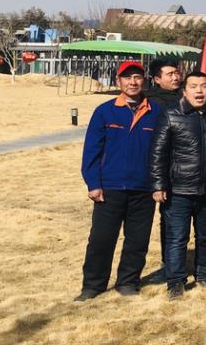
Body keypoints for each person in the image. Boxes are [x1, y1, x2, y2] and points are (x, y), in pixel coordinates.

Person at [75, 61, 162, 301]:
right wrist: (93, 183)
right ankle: (92, 286)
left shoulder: (156, 112)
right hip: (110, 187)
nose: (132, 82)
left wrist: (158, 184)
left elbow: (163, 151)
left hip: (144, 188)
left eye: (137, 77)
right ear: (118, 81)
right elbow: (92, 150)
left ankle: (128, 282)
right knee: (101, 240)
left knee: (137, 240)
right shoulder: (105, 111)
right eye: (127, 77)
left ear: (144, 81)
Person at [150, 71, 206, 299]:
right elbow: (158, 152)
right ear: (184, 91)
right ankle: (175, 280)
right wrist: (158, 185)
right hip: (178, 190)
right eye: (193, 86)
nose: (199, 91)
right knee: (176, 238)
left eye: (204, 86)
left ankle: (205, 274)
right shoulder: (170, 114)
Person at [143, 57, 183, 285]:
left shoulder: (188, 96)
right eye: (170, 74)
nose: (176, 77)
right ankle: (169, 264)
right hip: (165, 169)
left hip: (189, 167)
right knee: (169, 220)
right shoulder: (150, 102)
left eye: (177, 73)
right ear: (157, 79)